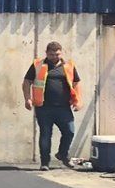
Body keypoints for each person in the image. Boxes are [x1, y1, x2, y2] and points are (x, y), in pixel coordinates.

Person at [22, 41, 82, 170]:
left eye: (57, 54)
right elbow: (27, 82)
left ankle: (62, 154)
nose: (54, 57)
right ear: (46, 54)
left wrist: (78, 101)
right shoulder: (38, 65)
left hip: (63, 107)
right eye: (51, 54)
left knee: (69, 131)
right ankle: (45, 163)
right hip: (44, 107)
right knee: (45, 135)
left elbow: (76, 83)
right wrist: (27, 99)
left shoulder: (69, 66)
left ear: (61, 52)